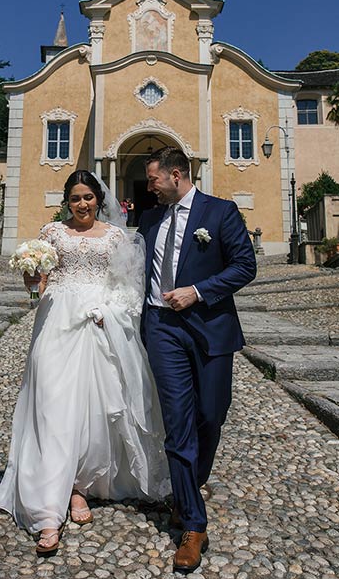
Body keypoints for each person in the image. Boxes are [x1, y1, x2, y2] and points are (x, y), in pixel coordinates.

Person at [0, 170, 169, 554]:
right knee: (52, 403)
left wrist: (112, 311)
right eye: (76, 198)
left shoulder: (116, 236)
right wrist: (30, 276)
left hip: (99, 320)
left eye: (88, 197)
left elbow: (129, 286)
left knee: (93, 405)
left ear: (98, 199)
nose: (83, 204)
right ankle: (47, 509)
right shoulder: (52, 233)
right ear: (67, 201)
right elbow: (37, 282)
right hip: (56, 320)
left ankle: (79, 486)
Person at [138, 148, 256, 573]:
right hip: (162, 329)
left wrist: (199, 291)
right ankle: (192, 523)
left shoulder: (221, 212)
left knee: (211, 415)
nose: (148, 186)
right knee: (178, 424)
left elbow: (245, 266)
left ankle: (189, 485)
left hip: (210, 329)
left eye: (153, 179)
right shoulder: (150, 220)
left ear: (175, 174)